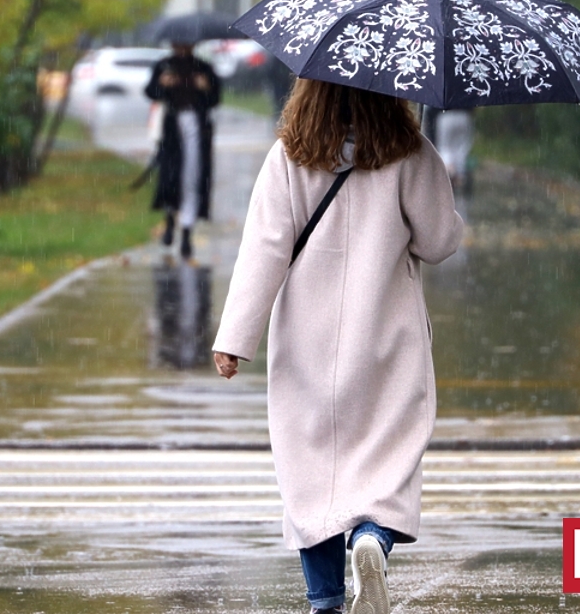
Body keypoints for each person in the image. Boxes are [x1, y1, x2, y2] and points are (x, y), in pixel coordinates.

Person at [211, 79, 464, 614]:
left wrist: (234, 338)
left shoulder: (289, 155)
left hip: (308, 342)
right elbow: (439, 242)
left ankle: (325, 599)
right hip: (386, 340)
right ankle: (373, 537)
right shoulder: (408, 153)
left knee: (312, 477)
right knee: (385, 459)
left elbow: (265, 248)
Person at [144, 41, 222, 260]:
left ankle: (187, 232)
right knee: (170, 178)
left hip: (197, 130)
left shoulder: (203, 68)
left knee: (192, 178)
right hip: (171, 131)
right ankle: (170, 221)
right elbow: (151, 92)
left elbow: (215, 99)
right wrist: (162, 85)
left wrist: (205, 87)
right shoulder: (164, 66)